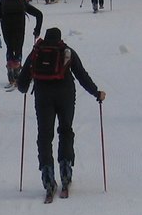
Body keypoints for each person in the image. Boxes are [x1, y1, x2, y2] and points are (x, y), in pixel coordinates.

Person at [16, 28, 106, 197]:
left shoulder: (36, 51)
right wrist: (96, 93)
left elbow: (22, 83)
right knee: (65, 130)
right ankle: (65, 168)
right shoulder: (67, 52)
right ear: (59, 39)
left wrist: (24, 88)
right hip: (65, 95)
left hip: (43, 97)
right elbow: (82, 75)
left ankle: (47, 174)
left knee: (44, 135)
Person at [0, 0, 43, 87]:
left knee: (9, 47)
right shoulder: (22, 2)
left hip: (6, 27)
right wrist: (37, 30)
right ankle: (17, 71)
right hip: (19, 27)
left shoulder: (3, 4)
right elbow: (39, 14)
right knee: (18, 47)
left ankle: (10, 69)